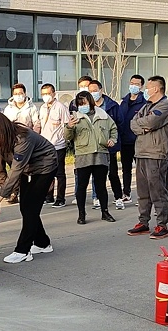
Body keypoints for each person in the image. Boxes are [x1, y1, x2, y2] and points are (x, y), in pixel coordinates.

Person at [0, 114, 57, 263]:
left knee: (31, 208)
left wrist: (0, 197)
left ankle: (23, 250)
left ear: (4, 130)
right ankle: (43, 243)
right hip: (27, 168)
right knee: (26, 207)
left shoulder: (22, 138)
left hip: (45, 166)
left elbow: (15, 171)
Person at [128, 76, 168, 239]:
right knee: (142, 190)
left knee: (158, 190)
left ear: (156, 88)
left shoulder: (165, 105)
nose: (145, 90)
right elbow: (133, 123)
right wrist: (143, 127)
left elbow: (152, 122)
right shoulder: (146, 106)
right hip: (140, 152)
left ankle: (162, 224)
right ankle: (143, 221)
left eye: (148, 87)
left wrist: (144, 126)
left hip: (156, 153)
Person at [65, 91, 118, 225]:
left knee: (101, 186)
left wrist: (113, 140)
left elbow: (113, 129)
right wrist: (69, 127)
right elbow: (67, 137)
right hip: (83, 155)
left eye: (85, 103)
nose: (82, 106)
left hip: (101, 154)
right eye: (80, 104)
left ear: (91, 102)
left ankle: (105, 212)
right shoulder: (75, 117)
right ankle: (81, 214)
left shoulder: (102, 114)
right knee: (81, 186)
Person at [88, 79, 125, 210]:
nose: (93, 93)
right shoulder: (88, 107)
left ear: (101, 90)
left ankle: (118, 197)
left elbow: (119, 124)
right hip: (94, 146)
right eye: (90, 91)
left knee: (113, 173)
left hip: (109, 146)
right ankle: (97, 197)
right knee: (98, 174)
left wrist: (113, 140)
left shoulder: (112, 106)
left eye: (95, 91)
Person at [2, 83, 39, 203]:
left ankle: (31, 192)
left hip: (28, 142)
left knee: (29, 168)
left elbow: (36, 124)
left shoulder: (31, 108)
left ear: (25, 94)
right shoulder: (8, 109)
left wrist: (34, 139)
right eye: (16, 94)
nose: (18, 96)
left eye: (20, 93)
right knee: (15, 169)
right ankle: (14, 193)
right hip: (14, 144)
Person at [39, 83, 71, 208]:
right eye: (43, 94)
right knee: (47, 172)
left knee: (59, 173)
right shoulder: (42, 108)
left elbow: (67, 125)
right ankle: (48, 196)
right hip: (44, 146)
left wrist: (65, 139)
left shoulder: (61, 107)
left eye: (48, 93)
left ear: (54, 93)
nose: (46, 96)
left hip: (58, 145)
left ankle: (61, 198)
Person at [117, 75, 148, 205]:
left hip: (138, 140)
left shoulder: (144, 102)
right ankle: (126, 193)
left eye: (136, 84)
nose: (133, 86)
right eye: (131, 83)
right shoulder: (124, 101)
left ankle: (144, 195)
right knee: (126, 168)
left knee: (141, 170)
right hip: (125, 141)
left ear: (141, 86)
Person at [69, 76, 98, 207]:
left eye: (87, 86)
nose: (84, 89)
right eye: (81, 86)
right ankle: (78, 196)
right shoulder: (73, 104)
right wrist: (69, 126)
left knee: (96, 175)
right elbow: (69, 133)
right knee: (80, 176)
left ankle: (95, 196)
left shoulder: (100, 110)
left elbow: (112, 127)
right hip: (80, 148)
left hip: (96, 148)